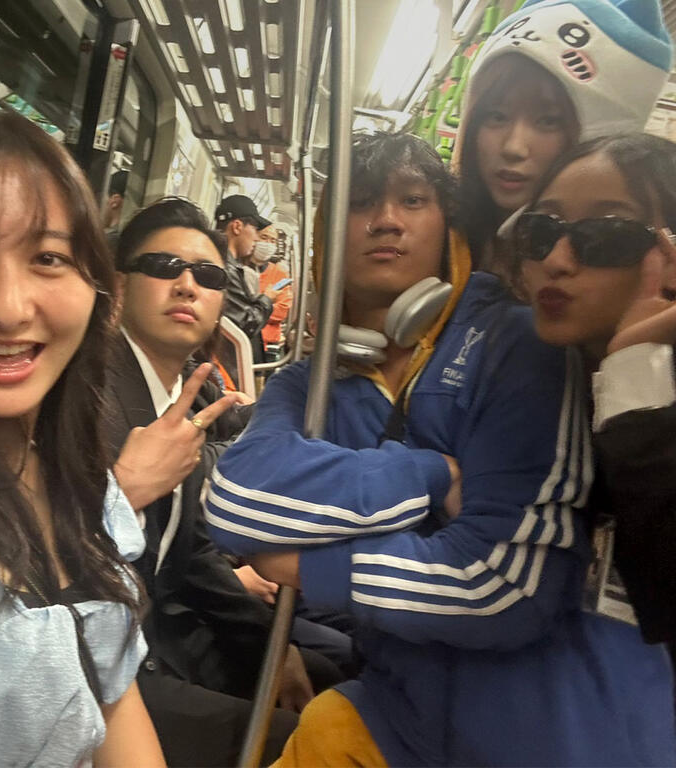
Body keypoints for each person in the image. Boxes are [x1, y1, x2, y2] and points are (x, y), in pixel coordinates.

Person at [205, 131, 675, 766]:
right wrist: (427, 473)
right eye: (363, 201)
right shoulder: (312, 382)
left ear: (449, 228)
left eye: (414, 200)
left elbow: (505, 586)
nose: (387, 221)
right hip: (402, 715)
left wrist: (310, 561)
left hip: (547, 735)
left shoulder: (521, 342)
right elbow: (237, 500)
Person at [0, 112, 165, 766]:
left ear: (96, 290)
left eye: (48, 258)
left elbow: (113, 697)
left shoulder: (81, 482)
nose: (10, 306)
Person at [109, 198, 345, 767]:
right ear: (118, 287)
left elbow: (189, 557)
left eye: (207, 275)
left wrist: (275, 647)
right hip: (115, 661)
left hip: (161, 629)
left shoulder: (180, 400)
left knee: (329, 677)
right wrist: (122, 491)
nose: (187, 285)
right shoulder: (90, 398)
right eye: (164, 267)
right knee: (309, 742)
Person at [516, 132, 676, 646]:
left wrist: (634, 365)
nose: (558, 260)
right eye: (541, 231)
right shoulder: (533, 368)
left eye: (604, 235)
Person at [456, 0, 672, 272]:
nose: (514, 147)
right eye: (496, 116)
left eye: (549, 121)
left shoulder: (627, 271)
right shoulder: (439, 237)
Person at [215, 194, 280, 361]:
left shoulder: (228, 263)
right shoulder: (224, 267)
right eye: (255, 229)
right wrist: (267, 300)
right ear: (237, 227)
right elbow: (246, 323)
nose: (257, 238)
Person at [252, 224, 293, 357]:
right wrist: (267, 302)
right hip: (243, 340)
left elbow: (282, 310)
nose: (268, 244)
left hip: (268, 344)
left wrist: (253, 309)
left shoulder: (279, 274)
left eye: (272, 240)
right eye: (264, 237)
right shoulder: (240, 270)